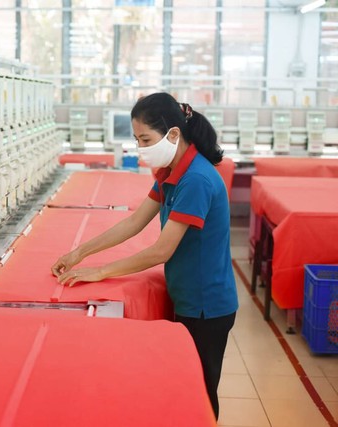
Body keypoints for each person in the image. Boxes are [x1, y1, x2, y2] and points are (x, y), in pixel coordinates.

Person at [51, 92, 238, 420]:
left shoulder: (196, 179)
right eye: (137, 140)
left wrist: (101, 271)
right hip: (189, 296)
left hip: (206, 305)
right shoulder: (171, 172)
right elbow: (135, 222)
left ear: (173, 134)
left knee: (201, 391)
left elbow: (162, 250)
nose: (140, 148)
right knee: (186, 382)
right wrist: (80, 253)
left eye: (146, 139)